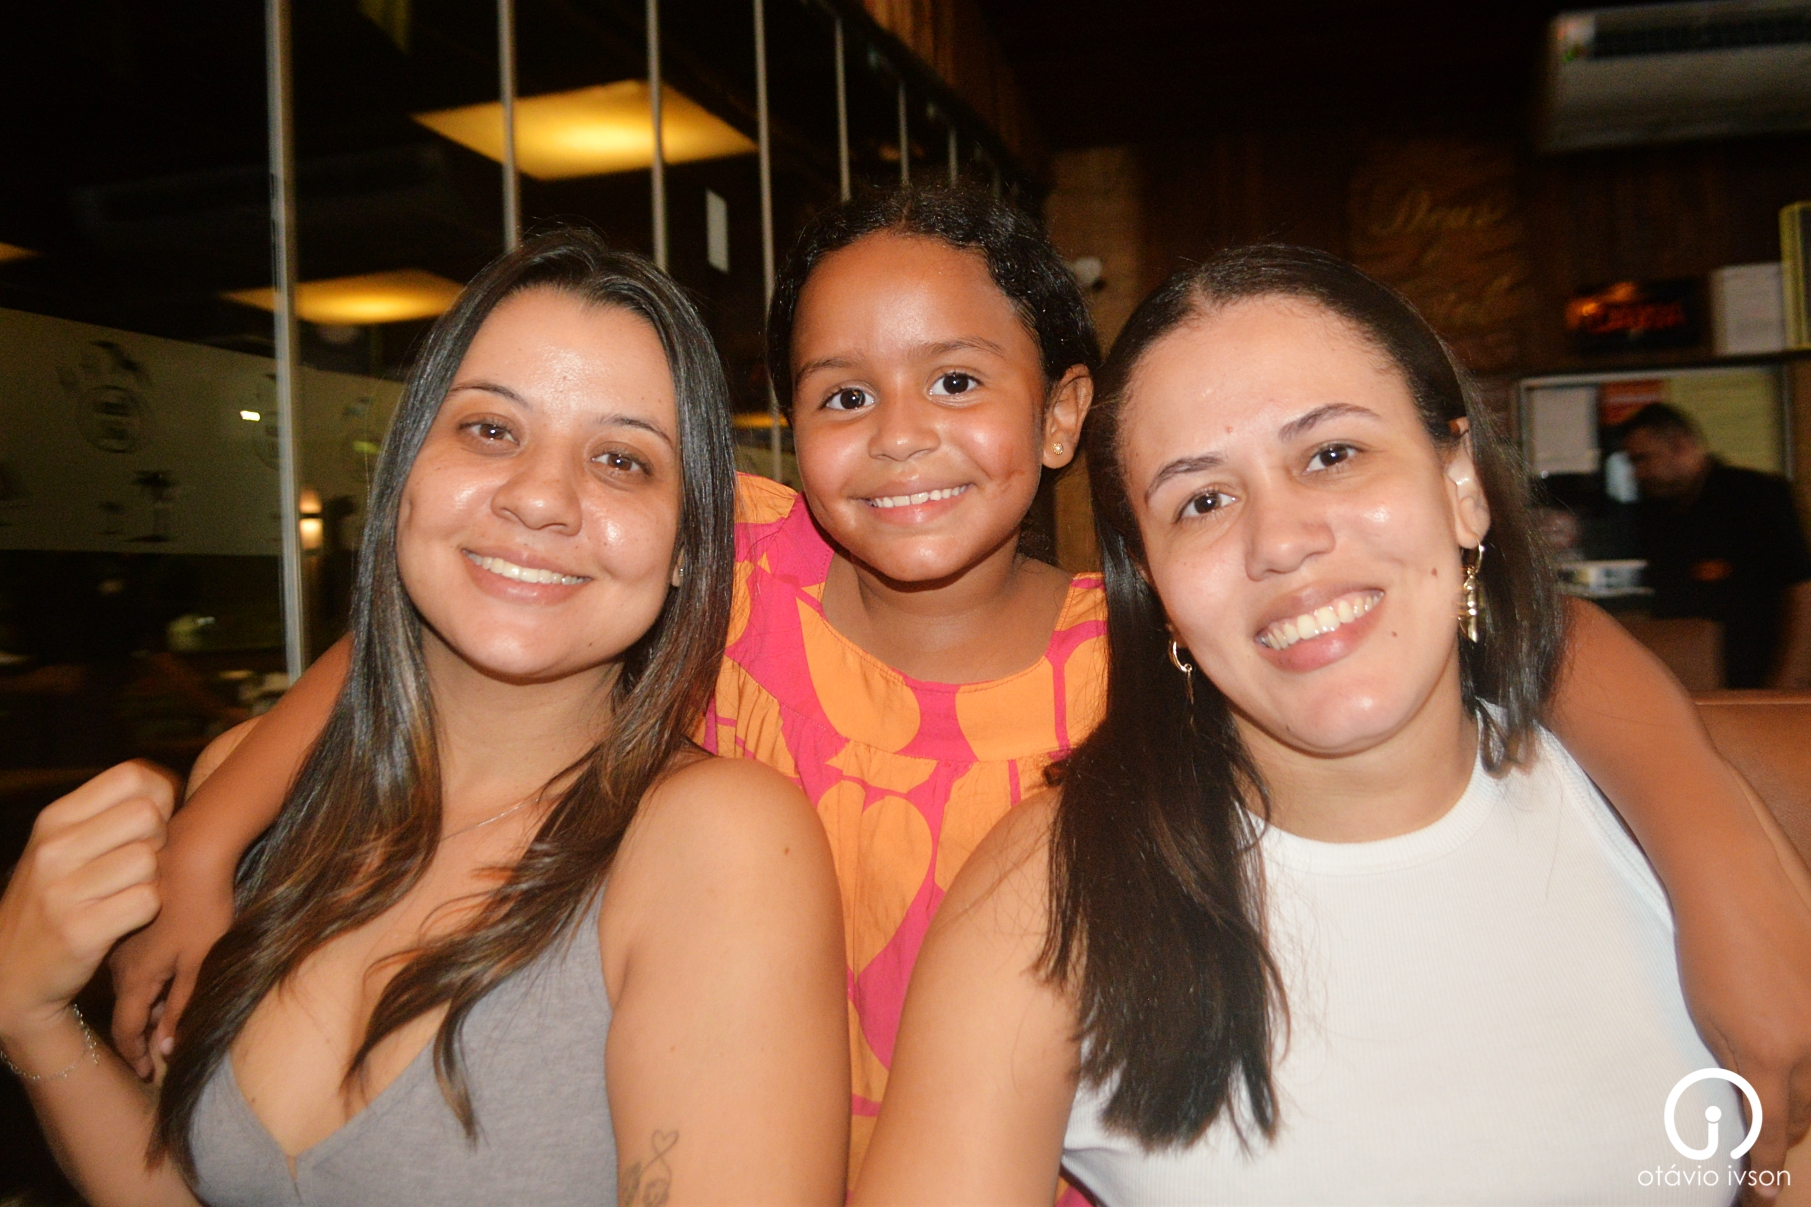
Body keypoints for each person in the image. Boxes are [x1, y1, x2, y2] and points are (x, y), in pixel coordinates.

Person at [109, 189, 1811, 1187]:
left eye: (956, 381)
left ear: (1062, 417)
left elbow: (1474, 636)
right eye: (841, 396)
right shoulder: (739, 564)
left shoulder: (1143, 648)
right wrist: (202, 848)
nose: (901, 437)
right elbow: (428, 624)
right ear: (785, 435)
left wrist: (1714, 852)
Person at [854, 247, 1811, 1205]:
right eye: (1202, 501)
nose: (1280, 540)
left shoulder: (1667, 814)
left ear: (1460, 484)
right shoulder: (1049, 894)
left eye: (1331, 454)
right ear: (1152, 583)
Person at [0, 230, 848, 1206]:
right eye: (490, 429)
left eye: (621, 459)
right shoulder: (255, 795)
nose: (540, 496)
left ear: (689, 548)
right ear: (404, 473)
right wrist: (30, 1014)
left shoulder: (715, 845)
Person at [1620, 402, 1811, 688]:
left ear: (1681, 446)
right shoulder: (1655, 514)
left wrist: (1787, 684)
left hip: (1762, 671)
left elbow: (1801, 591)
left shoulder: (1756, 496)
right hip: (1687, 681)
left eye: (1643, 459)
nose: (1637, 473)